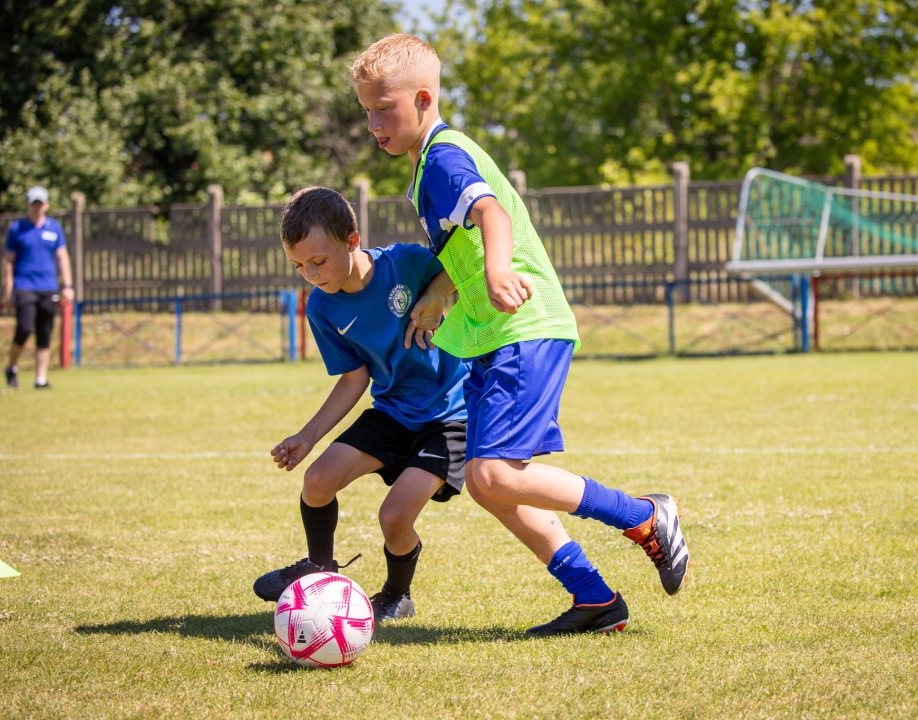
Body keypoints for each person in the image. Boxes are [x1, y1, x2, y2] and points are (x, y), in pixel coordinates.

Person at [349, 34, 690, 637]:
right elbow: (464, 245)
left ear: (423, 98)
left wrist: (499, 270)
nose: (373, 122)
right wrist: (441, 294)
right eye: (366, 110)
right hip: (490, 336)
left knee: (494, 475)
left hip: (523, 327)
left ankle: (643, 514)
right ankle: (595, 600)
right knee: (492, 486)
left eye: (383, 107)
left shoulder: (446, 156)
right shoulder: (428, 165)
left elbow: (492, 216)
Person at [253, 185, 471, 621]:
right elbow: (355, 378)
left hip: (450, 415)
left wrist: (436, 292)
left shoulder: (406, 262)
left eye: (318, 261)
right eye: (298, 266)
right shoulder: (321, 307)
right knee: (317, 481)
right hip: (391, 411)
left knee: (393, 517)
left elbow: (466, 263)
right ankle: (320, 569)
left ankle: (396, 595)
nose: (311, 274)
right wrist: (308, 437)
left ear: (352, 241)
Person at [3, 186, 74, 389]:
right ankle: (12, 367)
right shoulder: (17, 229)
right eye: (33, 203)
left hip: (48, 286)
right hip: (24, 285)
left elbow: (62, 257)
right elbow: (8, 261)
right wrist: (9, 288)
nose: (37, 207)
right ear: (27, 205)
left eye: (40, 203)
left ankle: (40, 378)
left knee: (44, 332)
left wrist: (67, 285)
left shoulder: (54, 228)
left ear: (46, 205)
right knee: (24, 328)